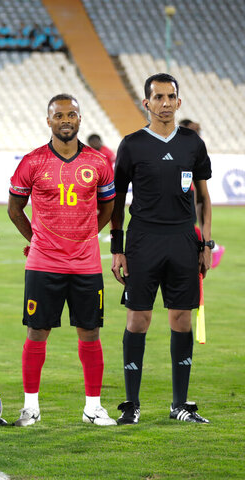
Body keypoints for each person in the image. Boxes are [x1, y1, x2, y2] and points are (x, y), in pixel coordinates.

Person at [8, 94, 117, 427]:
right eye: (59, 115)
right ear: (48, 120)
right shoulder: (32, 162)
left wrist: (86, 236)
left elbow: (108, 207)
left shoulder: (99, 162)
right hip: (44, 264)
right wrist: (38, 239)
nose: (65, 120)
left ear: (80, 119)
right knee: (37, 332)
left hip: (86, 265)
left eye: (72, 114)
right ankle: (30, 408)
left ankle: (93, 408)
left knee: (90, 332)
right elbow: (14, 210)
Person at [111, 73, 212, 424]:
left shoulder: (192, 144)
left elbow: (202, 197)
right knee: (138, 319)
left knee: (181, 319)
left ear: (179, 102)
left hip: (183, 240)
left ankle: (180, 405)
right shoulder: (132, 144)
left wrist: (206, 242)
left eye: (171, 97)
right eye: (158, 97)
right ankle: (131, 404)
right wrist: (117, 247)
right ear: (147, 103)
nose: (165, 103)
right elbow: (118, 198)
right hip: (142, 240)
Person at [178, 119, 225, 269]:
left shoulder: (192, 146)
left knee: (188, 225)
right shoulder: (193, 144)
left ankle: (214, 248)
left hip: (189, 191)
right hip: (188, 190)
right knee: (187, 225)